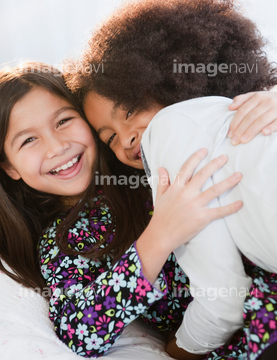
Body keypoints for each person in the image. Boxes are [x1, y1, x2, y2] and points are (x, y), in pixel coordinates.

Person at [65, 0, 277, 359]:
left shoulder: (176, 132)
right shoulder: (89, 223)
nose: (128, 138)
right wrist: (160, 235)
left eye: (130, 112)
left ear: (169, 80)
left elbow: (222, 301)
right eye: (109, 138)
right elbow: (81, 328)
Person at [0, 62, 250, 359]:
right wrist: (158, 238)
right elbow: (78, 331)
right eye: (28, 140)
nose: (56, 146)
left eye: (63, 121)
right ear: (10, 167)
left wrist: (264, 102)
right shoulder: (64, 239)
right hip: (239, 337)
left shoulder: (140, 159)